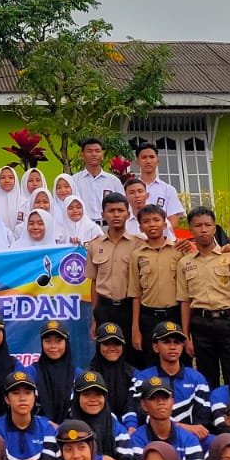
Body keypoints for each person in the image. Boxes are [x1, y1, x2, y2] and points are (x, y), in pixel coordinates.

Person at [179, 206, 230, 389]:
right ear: (190, 229)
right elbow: (185, 301)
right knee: (206, 377)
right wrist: (186, 336)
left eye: (207, 225)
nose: (203, 230)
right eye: (198, 226)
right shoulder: (185, 262)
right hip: (200, 325)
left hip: (227, 323)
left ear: (214, 227)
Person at [132, 319, 212, 435]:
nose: (173, 347)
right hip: (152, 437)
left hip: (190, 438)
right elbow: (138, 413)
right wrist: (180, 426)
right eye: (166, 342)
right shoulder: (142, 378)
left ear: (182, 346)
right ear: (155, 347)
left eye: (177, 342)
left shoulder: (197, 379)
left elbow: (203, 419)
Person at [128, 376, 207, 460]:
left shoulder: (189, 439)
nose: (160, 402)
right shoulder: (136, 440)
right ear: (144, 405)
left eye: (165, 397)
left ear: (172, 401)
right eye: (153, 398)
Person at [129, 204, 184, 361]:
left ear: (165, 224)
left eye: (156, 220)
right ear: (140, 227)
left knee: (177, 360)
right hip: (148, 317)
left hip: (174, 315)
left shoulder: (178, 250)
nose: (152, 224)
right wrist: (135, 328)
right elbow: (135, 293)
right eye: (146, 221)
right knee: (150, 361)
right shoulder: (137, 255)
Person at [67, 370, 135, 460]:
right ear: (77, 397)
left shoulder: (115, 427)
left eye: (98, 394)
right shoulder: (67, 427)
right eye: (86, 394)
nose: (93, 399)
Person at [85, 193, 137, 346]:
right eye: (111, 211)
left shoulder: (139, 244)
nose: (116, 215)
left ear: (128, 214)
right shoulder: (95, 245)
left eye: (120, 211)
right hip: (104, 308)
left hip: (129, 307)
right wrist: (94, 317)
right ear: (103, 215)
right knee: (105, 351)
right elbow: (94, 282)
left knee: (131, 352)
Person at [87, 321, 135, 420]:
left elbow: (134, 406)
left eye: (117, 343)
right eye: (106, 343)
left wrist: (129, 425)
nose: (112, 348)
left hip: (131, 425)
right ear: (98, 345)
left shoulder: (134, 374)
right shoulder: (89, 377)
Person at [33, 319, 77, 424]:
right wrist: (47, 424)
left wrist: (64, 427)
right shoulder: (31, 372)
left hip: (71, 430)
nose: (53, 346)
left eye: (58, 341)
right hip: (38, 429)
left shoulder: (77, 374)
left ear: (66, 343)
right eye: (47, 341)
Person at [71, 138, 126, 220]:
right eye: (89, 151)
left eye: (97, 151)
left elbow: (123, 205)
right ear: (82, 155)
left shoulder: (114, 181)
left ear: (102, 155)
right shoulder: (74, 181)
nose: (94, 154)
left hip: (108, 225)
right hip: (83, 225)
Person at [133, 145, 186, 229]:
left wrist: (158, 233)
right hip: (136, 235)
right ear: (137, 162)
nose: (148, 161)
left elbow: (173, 220)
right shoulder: (130, 190)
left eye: (151, 157)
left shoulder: (169, 190)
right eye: (144, 157)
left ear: (157, 161)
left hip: (162, 235)